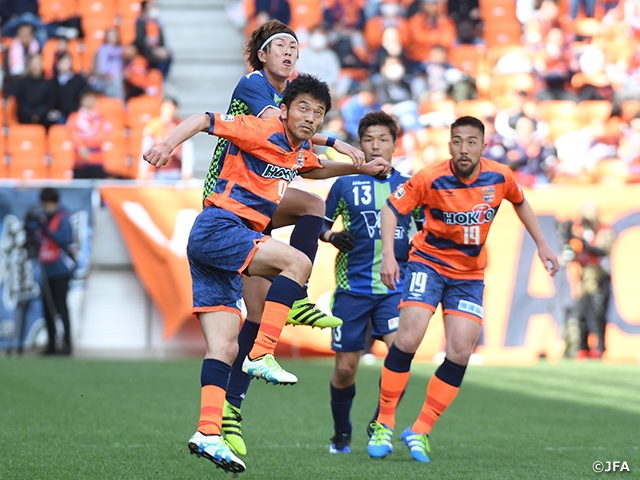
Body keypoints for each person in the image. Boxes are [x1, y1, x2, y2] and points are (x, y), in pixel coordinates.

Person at [142, 73, 388, 474]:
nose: (310, 117)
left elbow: (315, 169)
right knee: (298, 263)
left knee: (224, 348)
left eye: (318, 112)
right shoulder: (260, 129)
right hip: (222, 227)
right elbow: (204, 120)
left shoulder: (298, 149)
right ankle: (263, 352)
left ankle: (208, 431)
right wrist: (165, 146)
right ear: (284, 109)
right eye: (303, 108)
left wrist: (360, 169)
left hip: (213, 248)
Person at [204, 20, 376, 460]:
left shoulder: (290, 97)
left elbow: (302, 157)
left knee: (259, 313)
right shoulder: (255, 85)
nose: (288, 51)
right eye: (279, 44)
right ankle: (297, 292)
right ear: (261, 54)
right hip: (229, 202)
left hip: (259, 203)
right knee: (310, 208)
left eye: (294, 47)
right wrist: (336, 140)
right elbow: (283, 132)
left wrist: (355, 164)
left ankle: (230, 410)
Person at [367, 115, 559, 463]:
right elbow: (391, 209)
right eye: (457, 141)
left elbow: (520, 201)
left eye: (471, 142)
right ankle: (384, 422)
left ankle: (420, 429)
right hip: (428, 264)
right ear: (450, 145)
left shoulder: (500, 176)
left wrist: (543, 245)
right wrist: (389, 257)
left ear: (483, 146)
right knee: (407, 339)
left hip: (469, 275)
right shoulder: (430, 177)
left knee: (460, 351)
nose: (464, 149)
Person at [321, 111, 423, 454]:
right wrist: (332, 236)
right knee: (346, 367)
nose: (376, 145)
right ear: (360, 145)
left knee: (400, 357)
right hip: (351, 289)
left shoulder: (410, 186)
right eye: (368, 140)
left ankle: (382, 421)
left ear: (395, 144)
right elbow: (319, 224)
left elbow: (426, 230)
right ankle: (341, 432)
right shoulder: (344, 184)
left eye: (382, 139)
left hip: (395, 289)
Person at [28, 188, 75, 355]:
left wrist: (47, 229)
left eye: (47, 204)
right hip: (46, 271)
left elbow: (65, 240)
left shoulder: (62, 218)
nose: (44, 207)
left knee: (61, 308)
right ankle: (52, 346)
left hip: (60, 271)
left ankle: (67, 345)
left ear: (54, 203)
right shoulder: (42, 220)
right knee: (47, 309)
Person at [570, 203, 615, 360]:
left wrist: (584, 243)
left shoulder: (604, 231)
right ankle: (583, 348)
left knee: (598, 313)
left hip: (599, 277)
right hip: (584, 278)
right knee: (581, 313)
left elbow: (602, 250)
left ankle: (600, 347)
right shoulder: (582, 232)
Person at [138, 97, 194, 181]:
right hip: (157, 171)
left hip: (176, 171)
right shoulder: (153, 125)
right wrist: (143, 170)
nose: (169, 111)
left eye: (172, 108)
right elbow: (146, 147)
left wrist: (187, 170)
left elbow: (187, 149)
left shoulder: (181, 125)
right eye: (167, 107)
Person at [67, 89, 112, 179]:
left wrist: (88, 143)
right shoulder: (74, 117)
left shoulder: (101, 118)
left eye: (93, 98)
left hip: (97, 161)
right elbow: (72, 134)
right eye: (88, 98)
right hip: (79, 162)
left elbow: (103, 135)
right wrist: (81, 147)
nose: (90, 101)